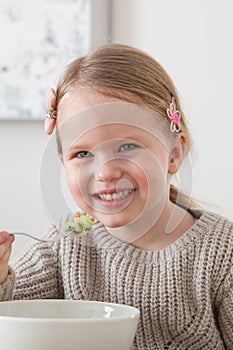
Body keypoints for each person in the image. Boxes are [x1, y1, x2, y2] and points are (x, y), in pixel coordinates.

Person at [0, 43, 232, 349]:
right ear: (62, 164)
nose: (105, 172)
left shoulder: (222, 254)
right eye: (82, 153)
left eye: (126, 147)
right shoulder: (64, 244)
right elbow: (10, 306)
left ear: (174, 154)